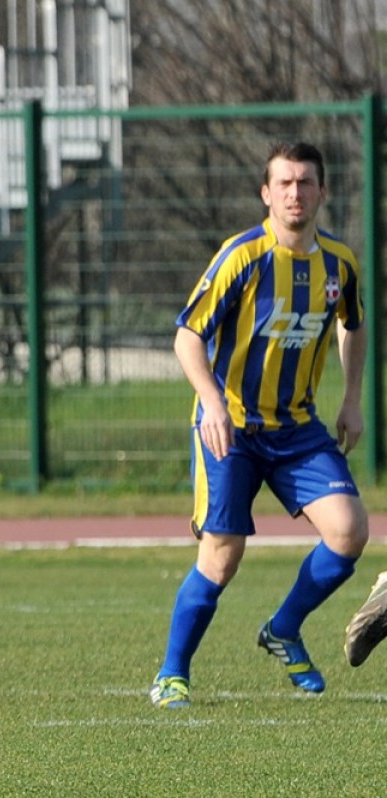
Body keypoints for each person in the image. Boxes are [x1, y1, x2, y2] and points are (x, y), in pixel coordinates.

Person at [149, 140, 369, 709]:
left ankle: (283, 629)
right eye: (285, 183)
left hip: (298, 427)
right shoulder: (242, 256)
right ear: (266, 193)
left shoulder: (339, 264)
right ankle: (172, 674)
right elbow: (187, 336)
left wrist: (351, 399)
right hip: (233, 427)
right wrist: (213, 403)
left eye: (305, 182)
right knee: (222, 555)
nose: (295, 192)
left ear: (323, 191)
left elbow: (354, 323)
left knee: (349, 532)